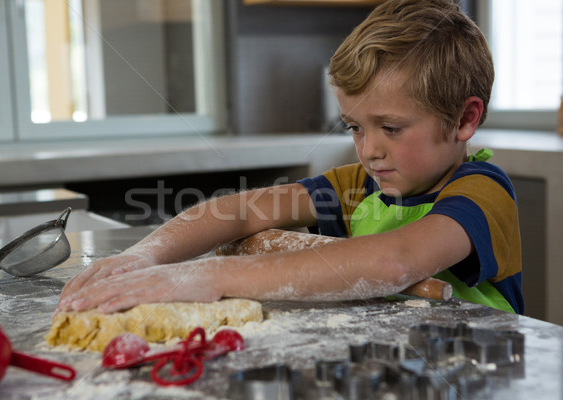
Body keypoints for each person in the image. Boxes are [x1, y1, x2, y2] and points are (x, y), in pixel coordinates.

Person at [57, 0, 523, 315]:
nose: (369, 150)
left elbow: (395, 262)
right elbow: (239, 210)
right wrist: (144, 257)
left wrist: (213, 276)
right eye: (355, 127)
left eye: (391, 128)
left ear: (465, 119)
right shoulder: (360, 186)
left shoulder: (481, 192)